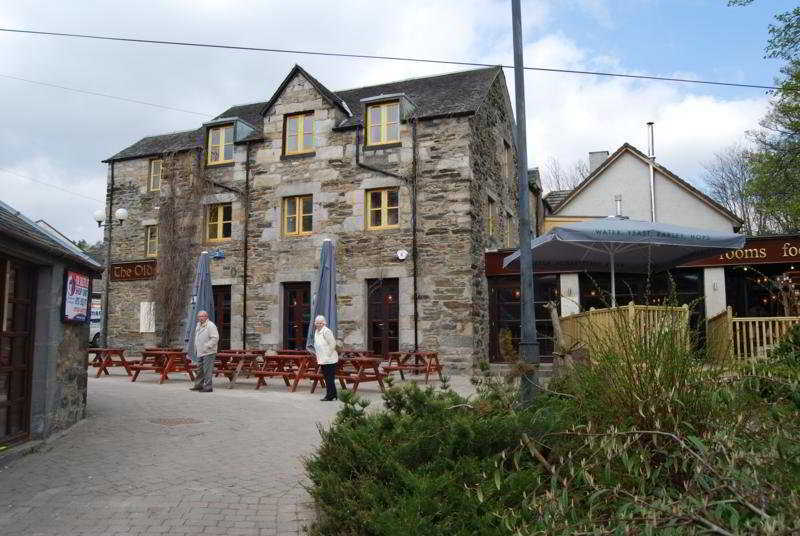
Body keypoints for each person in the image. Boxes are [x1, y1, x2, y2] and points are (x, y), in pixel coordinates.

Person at [191, 310, 219, 393]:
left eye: (203, 316)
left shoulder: (211, 325)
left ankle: (208, 387)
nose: (201, 318)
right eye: (199, 316)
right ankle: (198, 385)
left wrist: (207, 346)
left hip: (208, 352)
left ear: (207, 317)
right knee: (200, 369)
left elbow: (215, 338)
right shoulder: (198, 325)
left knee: (207, 370)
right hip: (200, 351)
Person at [313, 315, 339, 401]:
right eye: (317, 323)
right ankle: (333, 394)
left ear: (324, 323)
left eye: (320, 323)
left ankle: (329, 396)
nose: (318, 324)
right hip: (322, 359)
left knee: (329, 378)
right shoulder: (316, 332)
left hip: (330, 359)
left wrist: (328, 355)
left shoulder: (327, 331)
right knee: (327, 377)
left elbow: (333, 344)